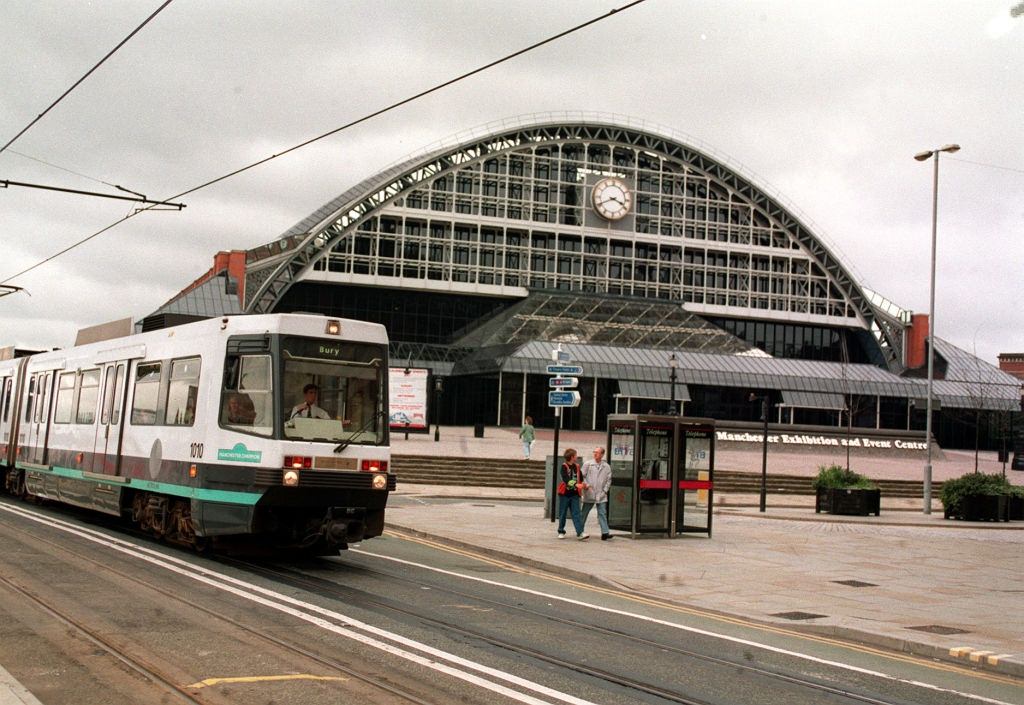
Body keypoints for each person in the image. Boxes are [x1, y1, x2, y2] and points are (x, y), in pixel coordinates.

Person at [581, 446, 613, 540]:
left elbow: (609, 480)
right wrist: (586, 485)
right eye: (594, 452)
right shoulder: (588, 464)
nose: (595, 454)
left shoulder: (606, 466)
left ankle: (605, 533)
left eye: (597, 452)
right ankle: (580, 530)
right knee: (584, 512)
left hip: (601, 494)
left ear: (602, 454)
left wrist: (605, 491)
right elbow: (582, 476)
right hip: (589, 492)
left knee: (602, 513)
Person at [556, 448, 589, 540]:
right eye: (575, 455)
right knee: (563, 513)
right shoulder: (564, 466)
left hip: (575, 494)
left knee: (576, 513)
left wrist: (583, 485)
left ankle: (580, 532)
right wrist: (576, 484)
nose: (577, 457)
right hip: (565, 494)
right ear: (572, 457)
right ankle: (561, 531)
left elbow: (581, 478)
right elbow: (565, 479)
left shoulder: (577, 467)